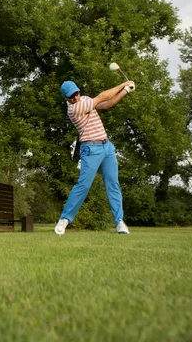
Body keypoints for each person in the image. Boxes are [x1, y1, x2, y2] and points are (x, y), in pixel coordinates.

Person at [55, 79, 135, 235]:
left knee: (113, 184)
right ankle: (64, 220)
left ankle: (119, 222)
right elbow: (103, 96)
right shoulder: (74, 108)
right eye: (71, 96)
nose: (75, 97)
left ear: (79, 91)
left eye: (76, 93)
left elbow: (107, 104)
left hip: (107, 147)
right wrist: (123, 84)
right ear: (66, 98)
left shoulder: (85, 100)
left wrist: (125, 91)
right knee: (83, 186)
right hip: (91, 149)